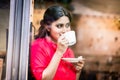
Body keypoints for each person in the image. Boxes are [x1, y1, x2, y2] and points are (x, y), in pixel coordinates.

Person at [30, 5, 84, 80]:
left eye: (67, 25)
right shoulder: (38, 46)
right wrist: (59, 52)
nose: (65, 30)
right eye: (59, 26)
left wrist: (78, 70)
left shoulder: (68, 51)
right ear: (48, 27)